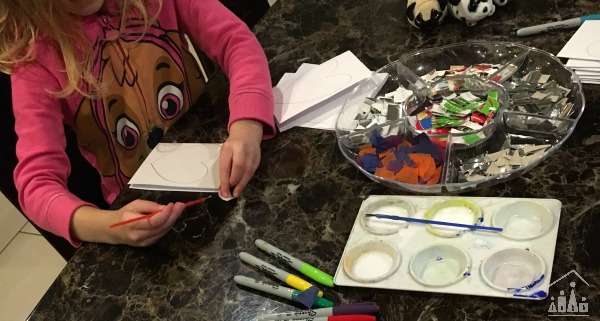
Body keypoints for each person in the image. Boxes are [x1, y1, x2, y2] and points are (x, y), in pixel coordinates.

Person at [0, 0, 275, 247]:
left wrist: (247, 125)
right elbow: (37, 185)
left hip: (226, 159)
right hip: (145, 212)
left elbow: (236, 42)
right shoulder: (33, 61)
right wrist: (109, 226)